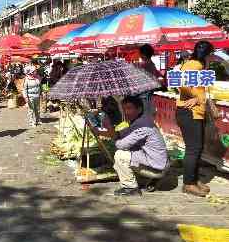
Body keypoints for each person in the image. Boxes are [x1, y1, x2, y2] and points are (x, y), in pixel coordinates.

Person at [91, 95, 168, 196]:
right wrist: (101, 132)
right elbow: (120, 134)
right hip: (159, 161)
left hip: (158, 167)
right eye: (124, 109)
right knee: (131, 149)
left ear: (139, 109)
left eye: (129, 108)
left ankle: (130, 188)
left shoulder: (142, 126)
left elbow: (121, 145)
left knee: (120, 155)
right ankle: (149, 178)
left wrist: (109, 127)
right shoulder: (139, 121)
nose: (126, 112)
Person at [176, 41, 215, 197]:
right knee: (193, 149)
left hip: (194, 112)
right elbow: (181, 82)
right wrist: (194, 97)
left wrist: (199, 98)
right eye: (211, 54)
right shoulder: (195, 65)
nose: (212, 57)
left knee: (197, 148)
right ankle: (188, 184)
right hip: (189, 113)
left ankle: (194, 179)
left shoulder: (196, 65)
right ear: (207, 54)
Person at [137, 44, 163, 117]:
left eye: (140, 54)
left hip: (144, 97)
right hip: (148, 96)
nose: (140, 56)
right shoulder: (151, 65)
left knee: (144, 117)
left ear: (143, 54)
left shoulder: (144, 66)